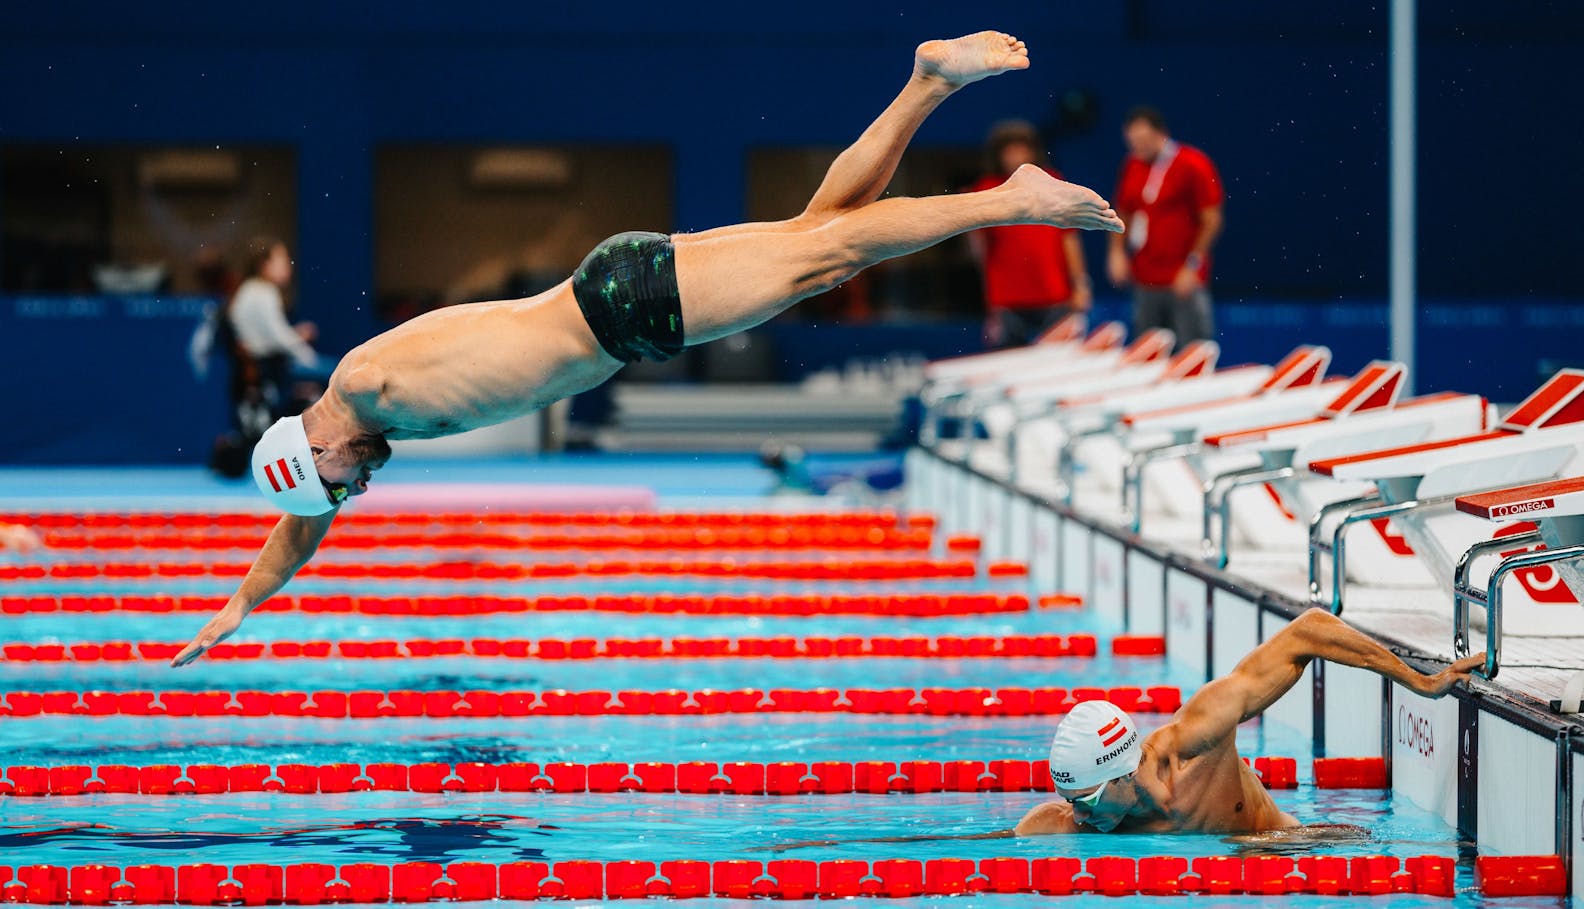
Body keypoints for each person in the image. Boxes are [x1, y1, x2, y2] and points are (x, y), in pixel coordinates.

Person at [170, 31, 1125, 669]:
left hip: (621, 308)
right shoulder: (354, 416)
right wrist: (241, 603)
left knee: (826, 251)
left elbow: (310, 491)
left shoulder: (365, 387)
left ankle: (1013, 197)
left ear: (317, 450)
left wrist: (1010, 208)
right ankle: (927, 82)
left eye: (339, 483)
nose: (354, 494)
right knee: (822, 235)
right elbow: (303, 520)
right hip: (615, 299)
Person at [769, 609, 1482, 851]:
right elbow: (957, 846)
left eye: (1085, 801)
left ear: (1121, 773)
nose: (1077, 816)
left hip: (1286, 846)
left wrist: (1419, 681)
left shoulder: (1197, 738)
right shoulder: (1065, 825)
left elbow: (1307, 632)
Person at [1106, 106, 1223, 351]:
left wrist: (1192, 266)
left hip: (1182, 278)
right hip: (1145, 277)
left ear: (1162, 134)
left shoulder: (1193, 163)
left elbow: (1211, 220)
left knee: (1192, 351)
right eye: (1133, 142)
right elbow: (1123, 211)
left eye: (1144, 140)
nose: (1139, 147)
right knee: (1147, 351)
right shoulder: (1132, 164)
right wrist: (1116, 252)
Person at [969, 121, 1092, 349]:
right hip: (1008, 300)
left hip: (1055, 296)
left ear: (1033, 151)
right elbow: (981, 252)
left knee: (1058, 365)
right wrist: (991, 304)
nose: (1016, 155)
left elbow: (1069, 238)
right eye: (1009, 150)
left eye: (1022, 148)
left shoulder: (1053, 181)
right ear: (999, 154)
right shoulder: (986, 189)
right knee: (1009, 365)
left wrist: (1080, 284)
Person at [227, 237, 325, 425]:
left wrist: (294, 335)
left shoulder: (249, 290)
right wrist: (309, 358)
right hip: (269, 370)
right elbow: (280, 338)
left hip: (264, 369)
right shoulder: (263, 293)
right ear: (264, 264)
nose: (288, 266)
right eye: (282, 260)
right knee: (333, 372)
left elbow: (267, 334)